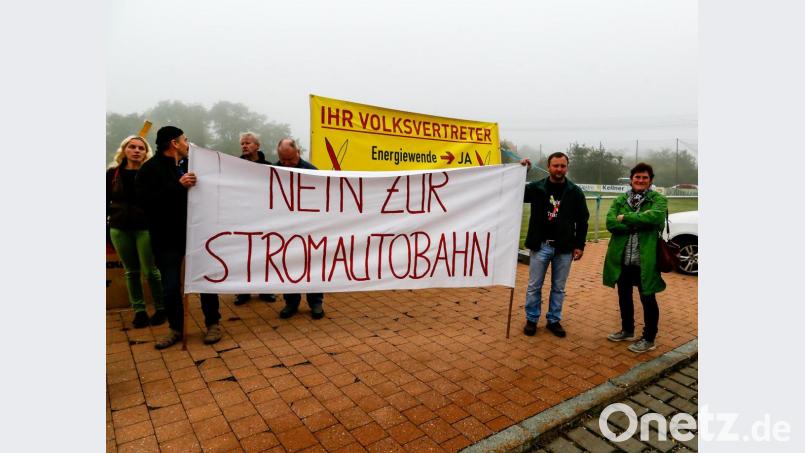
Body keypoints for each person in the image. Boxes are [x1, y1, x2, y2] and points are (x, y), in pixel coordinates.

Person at [136, 126, 222, 349]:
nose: (187, 143)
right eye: (185, 140)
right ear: (174, 143)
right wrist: (178, 186)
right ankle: (176, 328)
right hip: (166, 239)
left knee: (205, 280)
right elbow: (147, 203)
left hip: (195, 234)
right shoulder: (149, 170)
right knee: (171, 286)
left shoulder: (186, 166)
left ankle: (213, 323)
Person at [520, 152, 589, 338]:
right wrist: (522, 172)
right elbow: (516, 192)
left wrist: (579, 245)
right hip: (540, 245)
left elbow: (583, 220)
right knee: (534, 286)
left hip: (564, 248)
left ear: (567, 167)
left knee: (558, 288)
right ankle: (532, 319)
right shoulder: (537, 188)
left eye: (562, 166)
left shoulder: (574, 191)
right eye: (555, 165)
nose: (559, 169)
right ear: (548, 166)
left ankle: (553, 320)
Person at [603, 162, 667, 353]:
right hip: (622, 258)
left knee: (648, 298)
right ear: (631, 180)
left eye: (644, 177)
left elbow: (655, 218)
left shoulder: (659, 199)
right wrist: (637, 221)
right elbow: (611, 223)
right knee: (624, 296)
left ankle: (649, 338)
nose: (640, 180)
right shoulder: (621, 199)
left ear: (650, 180)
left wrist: (626, 218)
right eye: (637, 177)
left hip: (645, 260)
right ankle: (627, 330)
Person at [107, 135, 166, 328]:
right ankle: (139, 311)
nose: (136, 150)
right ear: (124, 150)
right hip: (119, 228)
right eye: (132, 147)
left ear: (145, 152)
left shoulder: (150, 173)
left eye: (141, 148)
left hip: (145, 227)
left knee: (151, 271)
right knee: (131, 271)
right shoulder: (111, 174)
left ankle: (161, 308)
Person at [274, 138, 325, 320]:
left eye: (291, 160)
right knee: (290, 266)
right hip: (285, 231)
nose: (287, 164)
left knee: (314, 265)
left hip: (311, 229)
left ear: (298, 153)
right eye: (283, 160)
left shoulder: (313, 172)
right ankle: (291, 302)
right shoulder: (272, 172)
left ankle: (316, 302)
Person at [233, 131, 277, 306]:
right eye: (242, 143)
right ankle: (242, 291)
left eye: (248, 143)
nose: (244, 146)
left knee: (263, 253)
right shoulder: (234, 166)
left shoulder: (268, 166)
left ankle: (265, 288)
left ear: (257, 146)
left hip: (263, 218)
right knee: (242, 254)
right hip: (241, 216)